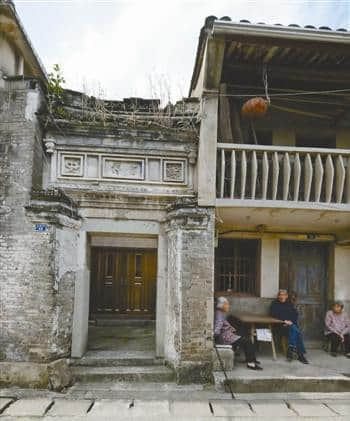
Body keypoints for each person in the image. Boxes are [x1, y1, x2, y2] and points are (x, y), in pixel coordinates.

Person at [214, 297, 263, 370]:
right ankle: (251, 363)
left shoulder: (220, 313)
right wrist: (214, 337)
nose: (228, 306)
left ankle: (251, 359)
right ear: (222, 305)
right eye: (226, 304)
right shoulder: (219, 315)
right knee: (248, 341)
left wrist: (230, 328)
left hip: (227, 334)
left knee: (244, 333)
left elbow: (222, 325)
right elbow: (217, 329)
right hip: (226, 337)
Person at [270, 289, 309, 364]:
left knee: (294, 329)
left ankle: (291, 350)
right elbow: (273, 315)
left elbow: (295, 315)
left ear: (287, 296)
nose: (282, 296)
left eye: (284, 295)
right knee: (297, 331)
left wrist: (290, 322)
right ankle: (300, 355)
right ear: (278, 296)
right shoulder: (274, 304)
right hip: (280, 326)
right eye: (280, 295)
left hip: (290, 326)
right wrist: (284, 321)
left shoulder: (289, 304)